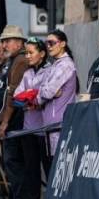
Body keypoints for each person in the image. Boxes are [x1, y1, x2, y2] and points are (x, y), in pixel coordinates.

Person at [8, 38, 48, 199]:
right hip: (28, 128)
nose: (28, 56)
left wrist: (32, 98)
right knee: (31, 168)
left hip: (46, 128)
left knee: (49, 167)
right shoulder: (28, 73)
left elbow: (47, 94)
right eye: (26, 53)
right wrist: (31, 98)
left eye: (31, 52)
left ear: (42, 53)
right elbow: (17, 97)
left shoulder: (50, 71)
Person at [0, 25, 29, 199]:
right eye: (3, 41)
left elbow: (13, 94)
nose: (4, 44)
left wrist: (5, 121)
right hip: (19, 116)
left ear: (19, 42)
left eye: (8, 41)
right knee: (15, 160)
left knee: (13, 160)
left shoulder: (20, 61)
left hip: (18, 117)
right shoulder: (15, 60)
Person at [37, 30, 77, 175]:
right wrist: (45, 92)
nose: (48, 46)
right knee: (50, 168)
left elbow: (46, 92)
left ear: (63, 44)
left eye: (52, 43)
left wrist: (45, 93)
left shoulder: (65, 65)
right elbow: (43, 90)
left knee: (58, 169)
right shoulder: (55, 65)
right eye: (47, 43)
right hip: (49, 123)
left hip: (59, 123)